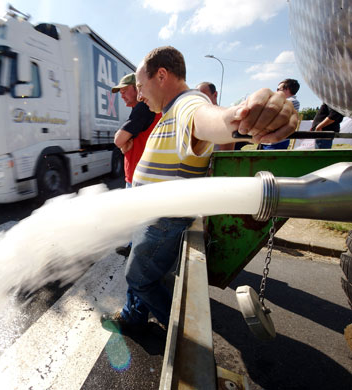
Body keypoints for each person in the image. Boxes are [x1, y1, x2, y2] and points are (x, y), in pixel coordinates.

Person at [101, 46, 298, 334]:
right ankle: (133, 317)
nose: (140, 94)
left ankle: (184, 336)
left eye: (141, 86)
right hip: (153, 216)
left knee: (140, 277)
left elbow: (208, 119)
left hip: (162, 221)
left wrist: (240, 118)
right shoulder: (169, 110)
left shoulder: (187, 103)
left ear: (162, 75)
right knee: (144, 270)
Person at [111, 73, 161, 257]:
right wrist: (125, 144)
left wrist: (124, 143)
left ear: (137, 89)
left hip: (140, 175)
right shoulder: (141, 110)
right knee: (136, 215)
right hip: (137, 172)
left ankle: (139, 252)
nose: (121, 95)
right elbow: (124, 145)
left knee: (140, 216)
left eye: (124, 90)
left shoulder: (143, 109)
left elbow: (118, 140)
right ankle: (134, 245)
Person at [260, 78, 301, 150]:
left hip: (276, 141)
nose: (276, 92)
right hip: (270, 140)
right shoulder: (287, 101)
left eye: (278, 89)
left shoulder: (292, 101)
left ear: (287, 89)